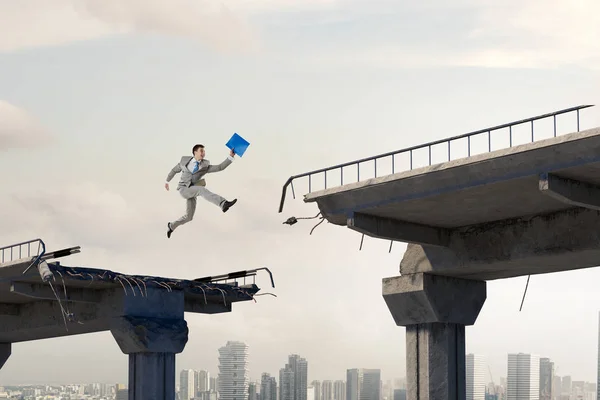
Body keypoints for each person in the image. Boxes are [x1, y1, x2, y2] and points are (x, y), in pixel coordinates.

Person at [165, 144, 238, 238]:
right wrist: (167, 181)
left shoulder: (204, 166)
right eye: (201, 151)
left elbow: (220, 167)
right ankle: (223, 203)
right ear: (195, 152)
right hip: (183, 189)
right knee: (201, 190)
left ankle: (171, 226)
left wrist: (230, 156)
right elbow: (174, 170)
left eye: (204, 151)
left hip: (192, 190)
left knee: (189, 216)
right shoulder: (184, 161)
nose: (203, 153)